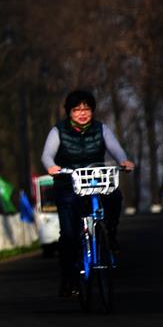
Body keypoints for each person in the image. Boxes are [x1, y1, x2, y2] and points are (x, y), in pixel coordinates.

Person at [41, 89, 134, 297]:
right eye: (77, 110)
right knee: (68, 236)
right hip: (68, 186)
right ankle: (69, 280)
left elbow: (116, 149)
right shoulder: (58, 131)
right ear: (69, 112)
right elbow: (47, 155)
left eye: (86, 109)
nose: (82, 113)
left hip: (97, 181)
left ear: (92, 111)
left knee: (114, 196)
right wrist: (52, 167)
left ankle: (109, 233)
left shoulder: (101, 129)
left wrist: (123, 160)